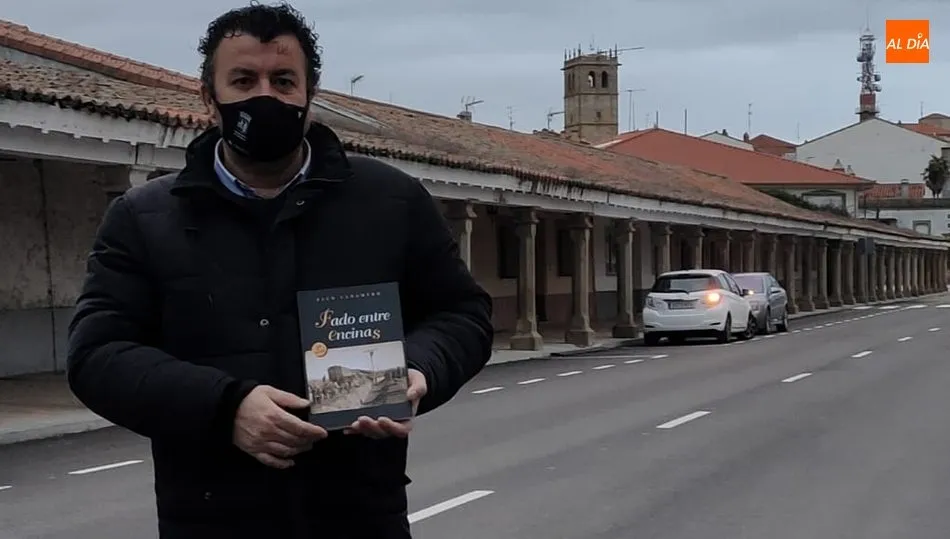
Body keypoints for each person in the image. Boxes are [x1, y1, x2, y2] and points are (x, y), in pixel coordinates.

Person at [65, 3, 494, 538]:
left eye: (283, 80)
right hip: (210, 520)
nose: (264, 96)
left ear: (309, 96)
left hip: (360, 516)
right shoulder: (143, 218)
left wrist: (421, 368)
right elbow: (97, 356)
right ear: (209, 97)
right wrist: (226, 408)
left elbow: (464, 313)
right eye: (243, 79)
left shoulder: (391, 200)